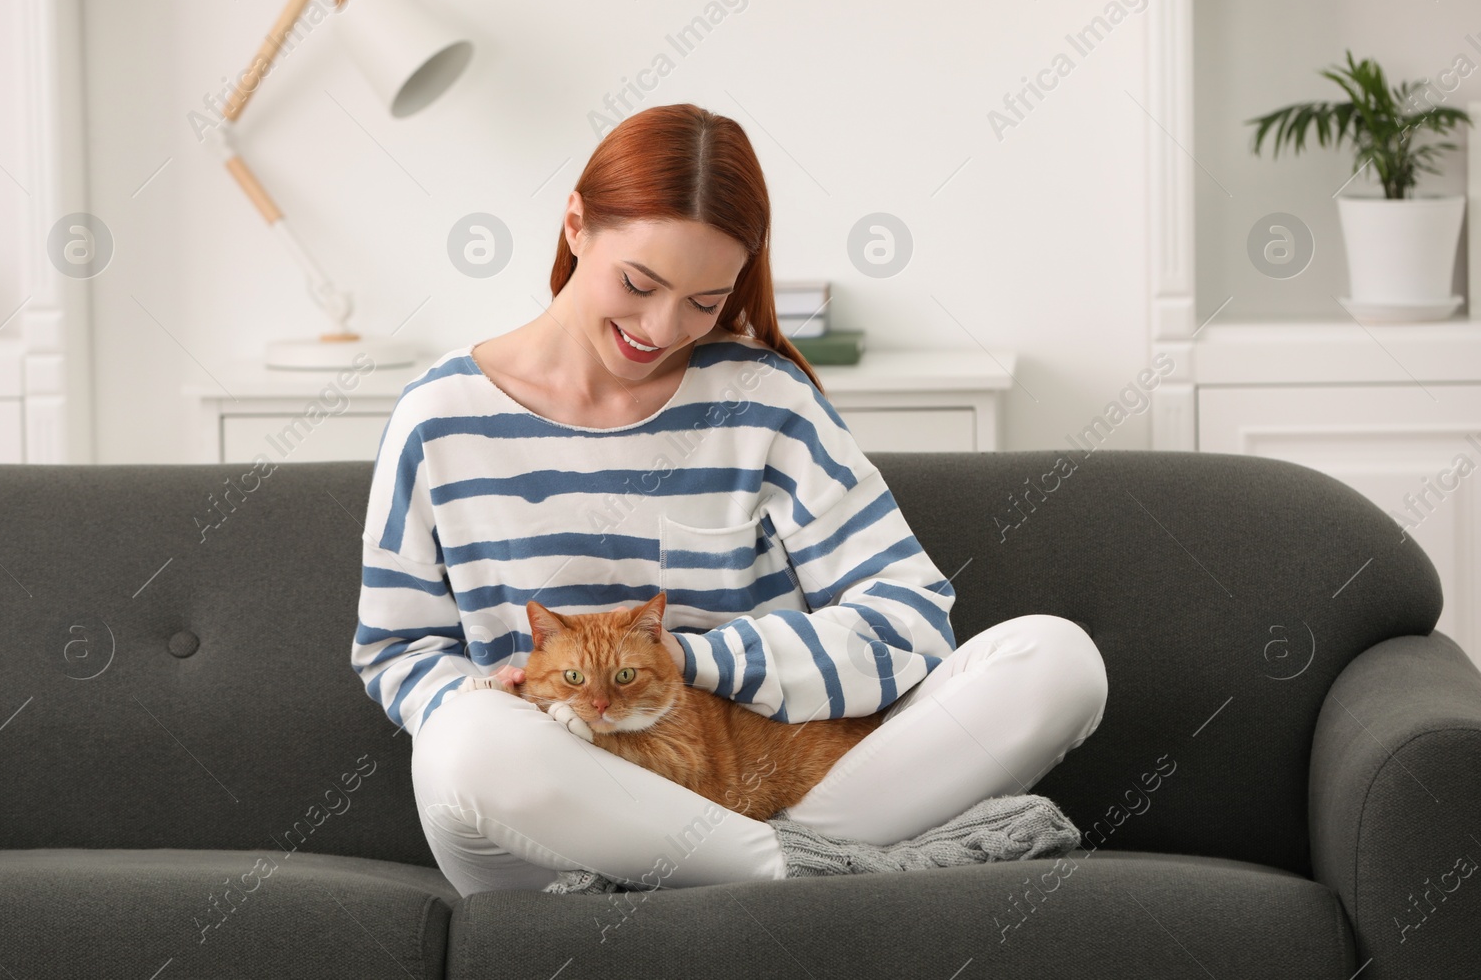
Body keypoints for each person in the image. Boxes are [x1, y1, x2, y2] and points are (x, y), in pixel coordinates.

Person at [352, 103, 1108, 898]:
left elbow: (910, 621)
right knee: (463, 742)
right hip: (547, 809)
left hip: (764, 783)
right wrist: (493, 698)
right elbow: (396, 651)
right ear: (575, 224)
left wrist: (698, 658)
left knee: (1058, 660)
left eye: (703, 302)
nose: (660, 327)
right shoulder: (438, 417)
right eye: (639, 283)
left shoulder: (762, 399)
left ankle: (721, 872)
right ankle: (805, 875)